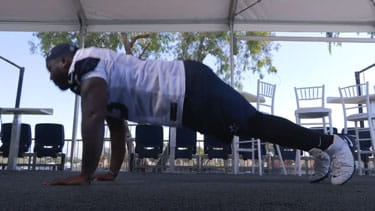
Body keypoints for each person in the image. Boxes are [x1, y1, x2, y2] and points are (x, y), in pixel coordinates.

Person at [44, 43, 355, 186]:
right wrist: (111, 171)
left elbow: (94, 115)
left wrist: (84, 175)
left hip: (190, 87)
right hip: (186, 97)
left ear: (63, 60)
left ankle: (331, 144)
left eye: (50, 69)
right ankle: (320, 146)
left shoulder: (84, 62)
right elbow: (115, 124)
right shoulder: (90, 74)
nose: (50, 78)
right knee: (249, 126)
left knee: (252, 123)